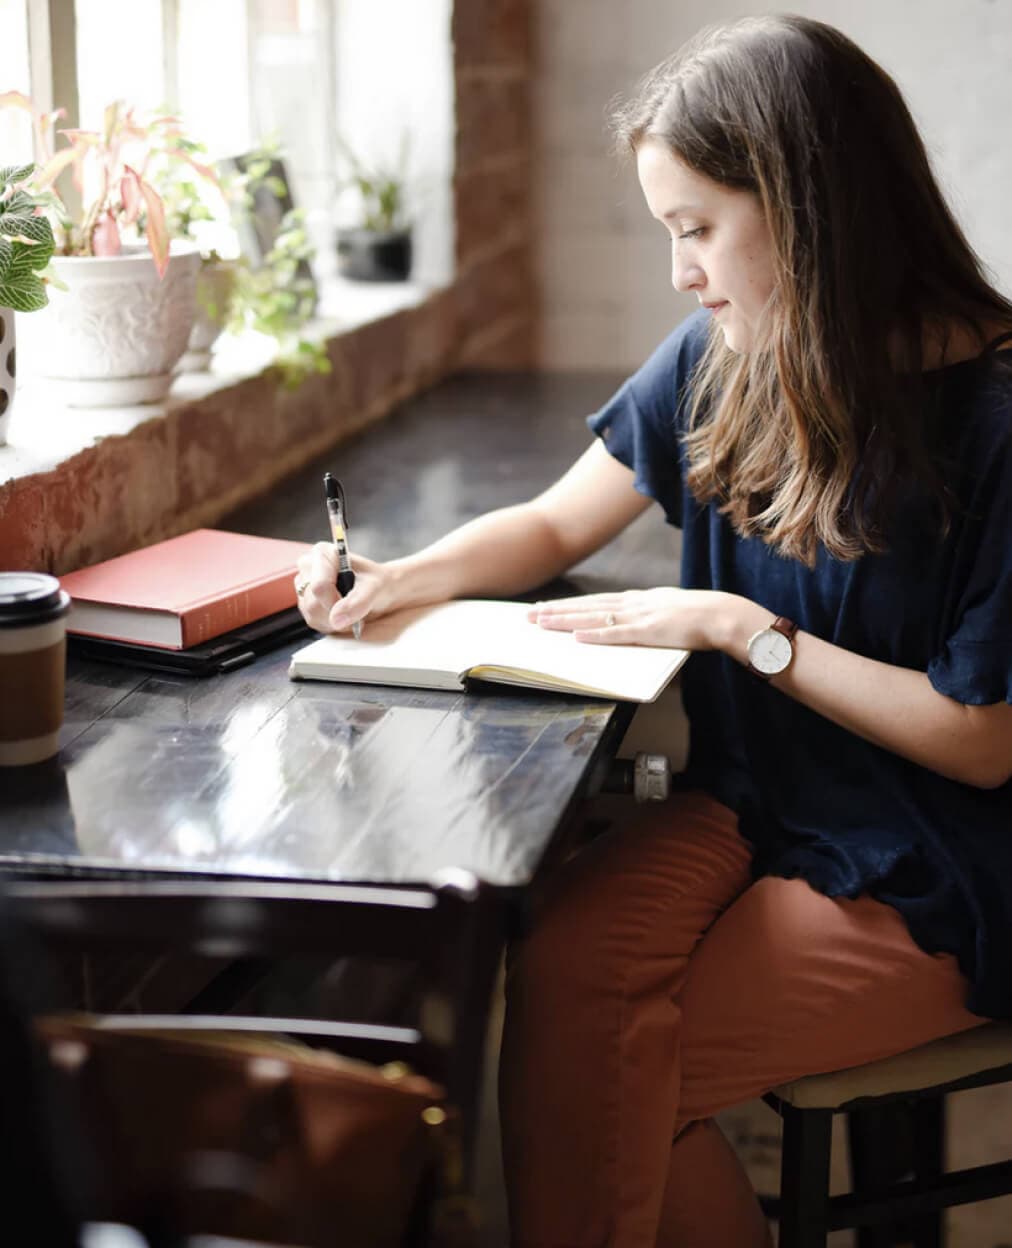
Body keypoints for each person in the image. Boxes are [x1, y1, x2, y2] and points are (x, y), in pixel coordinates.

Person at [295, 14, 1012, 1246]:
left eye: (696, 229)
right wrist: (397, 578)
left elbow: (981, 743)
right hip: (758, 800)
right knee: (562, 974)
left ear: (809, 210)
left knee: (612, 1074)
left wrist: (739, 628)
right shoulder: (726, 355)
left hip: (945, 855)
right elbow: (550, 522)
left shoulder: (995, 420)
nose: (680, 272)